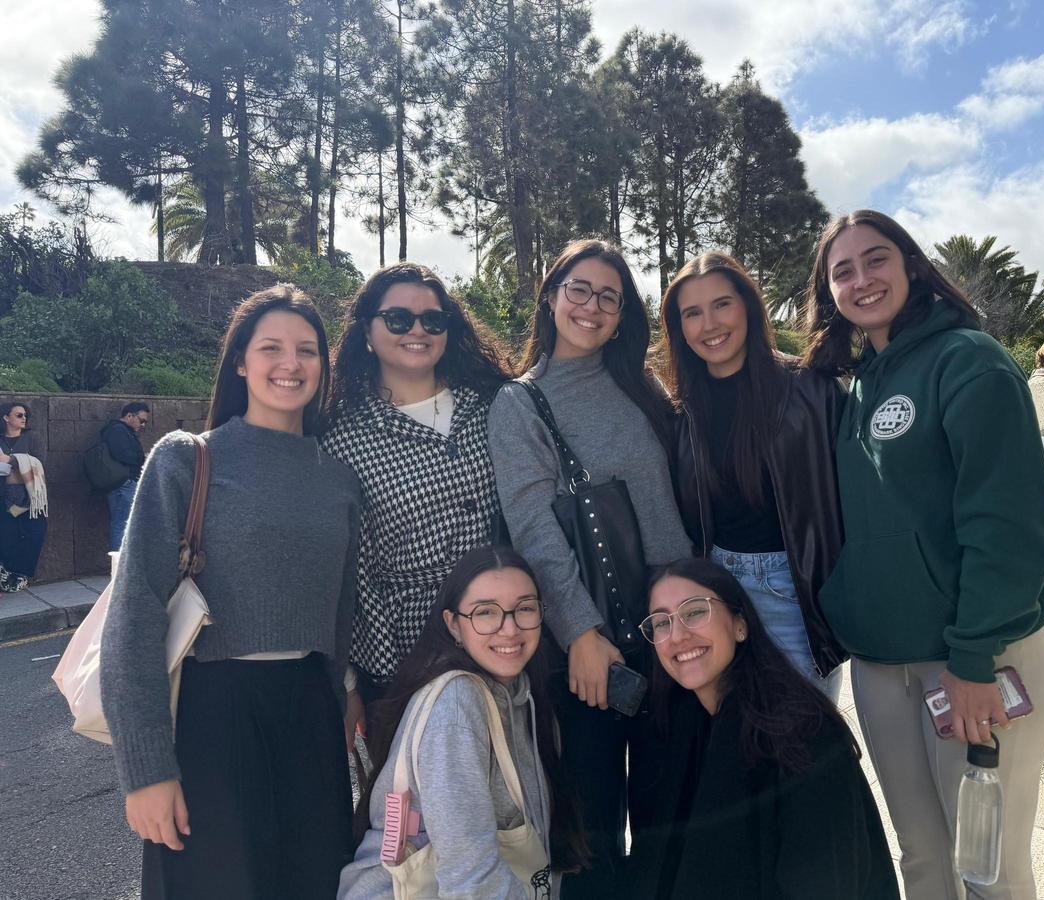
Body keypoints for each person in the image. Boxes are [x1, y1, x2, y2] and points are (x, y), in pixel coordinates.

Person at [804, 209, 1044, 900]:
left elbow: (1007, 525)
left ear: (912, 265)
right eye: (843, 270)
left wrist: (975, 658)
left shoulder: (968, 360)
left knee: (991, 869)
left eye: (876, 258)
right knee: (922, 860)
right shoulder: (858, 386)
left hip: (974, 661)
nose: (862, 280)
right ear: (830, 292)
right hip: (885, 669)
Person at [100, 285, 362, 900]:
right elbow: (133, 615)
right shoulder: (186, 461)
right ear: (240, 361)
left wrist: (344, 692)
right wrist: (146, 773)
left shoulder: (339, 479)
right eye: (270, 347)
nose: (290, 364)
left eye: (306, 350)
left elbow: (341, 608)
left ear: (324, 365)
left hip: (311, 715)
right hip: (212, 715)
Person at [488, 238, 694, 898]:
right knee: (593, 838)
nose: (593, 305)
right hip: (590, 644)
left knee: (674, 825)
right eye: (579, 288)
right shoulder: (521, 404)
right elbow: (534, 529)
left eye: (610, 295)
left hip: (675, 635)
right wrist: (578, 631)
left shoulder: (644, 385)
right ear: (551, 298)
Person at [627, 557, 898, 899]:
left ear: (740, 624)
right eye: (661, 622)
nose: (678, 635)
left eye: (695, 612)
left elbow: (826, 881)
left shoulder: (800, 731)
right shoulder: (681, 725)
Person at [339, 545, 588, 900]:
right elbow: (471, 881)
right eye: (486, 612)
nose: (509, 627)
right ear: (453, 625)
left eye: (525, 608)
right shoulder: (456, 706)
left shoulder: (527, 697)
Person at [322, 263, 511, 730]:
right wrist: (377, 679)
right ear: (367, 329)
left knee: (517, 789)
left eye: (433, 319)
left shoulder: (493, 405)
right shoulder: (341, 438)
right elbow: (355, 568)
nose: (418, 330)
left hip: (504, 635)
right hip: (407, 654)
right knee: (413, 800)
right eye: (399, 319)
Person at [660, 251, 847, 698]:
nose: (709, 325)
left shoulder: (810, 390)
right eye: (692, 313)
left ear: (748, 305)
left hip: (793, 588)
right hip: (715, 591)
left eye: (722, 304)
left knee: (805, 748)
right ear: (679, 327)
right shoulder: (681, 412)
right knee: (735, 746)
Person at [0, 401, 48, 593]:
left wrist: (11, 460)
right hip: (5, 496)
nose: (24, 418)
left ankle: (23, 574)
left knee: (34, 535)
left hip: (30, 497)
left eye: (25, 415)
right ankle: (8, 574)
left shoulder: (32, 438)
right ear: (6, 418)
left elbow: (40, 462)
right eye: (19, 415)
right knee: (6, 536)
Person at [101, 401, 150, 551]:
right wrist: (143, 458)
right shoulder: (118, 430)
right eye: (141, 420)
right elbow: (122, 454)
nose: (143, 425)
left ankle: (120, 564)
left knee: (123, 523)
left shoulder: (121, 430)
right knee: (122, 524)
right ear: (130, 415)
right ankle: (119, 565)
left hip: (123, 482)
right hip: (124, 483)